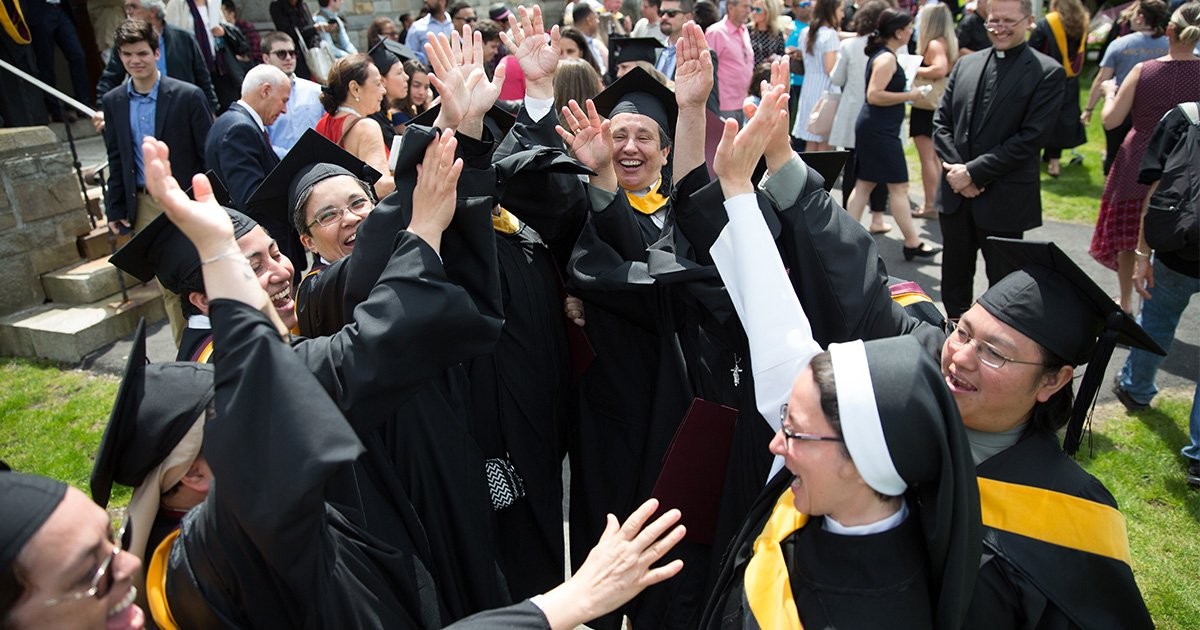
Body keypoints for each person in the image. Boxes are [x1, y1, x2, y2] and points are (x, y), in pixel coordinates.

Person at [672, 61, 1158, 628]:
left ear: (1053, 380)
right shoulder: (917, 369)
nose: (962, 358)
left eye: (995, 352)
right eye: (964, 331)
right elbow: (858, 281)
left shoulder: (1070, 515)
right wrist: (780, 162)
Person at [695, 106, 978, 626]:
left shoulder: (875, 609)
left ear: (860, 458)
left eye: (794, 432)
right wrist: (737, 187)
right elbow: (782, 344)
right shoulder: (833, 478)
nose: (777, 445)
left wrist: (741, 187)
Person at [931, 0, 1064, 319]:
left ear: (1030, 21)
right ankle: (952, 337)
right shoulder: (966, 64)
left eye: (1008, 21)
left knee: (1003, 287)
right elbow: (941, 122)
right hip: (956, 195)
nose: (999, 28)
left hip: (1004, 199)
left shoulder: (1047, 72)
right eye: (993, 21)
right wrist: (958, 173)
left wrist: (974, 173)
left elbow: (1032, 138)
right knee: (953, 281)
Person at [102, 18, 213, 346]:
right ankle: (187, 353)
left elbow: (207, 156)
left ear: (155, 52)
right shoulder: (113, 102)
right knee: (168, 285)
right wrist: (115, 207)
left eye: (141, 53)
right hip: (145, 203)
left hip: (187, 198)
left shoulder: (187, 96)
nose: (134, 61)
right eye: (126, 55)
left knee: (204, 275)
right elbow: (116, 157)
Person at [1092, 2, 1200, 314]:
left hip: (1139, 156)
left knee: (1128, 235)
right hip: (1188, 163)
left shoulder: (1144, 71)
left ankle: (1126, 302)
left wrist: (1110, 93)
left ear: (1169, 31)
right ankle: (1152, 302)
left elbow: (1111, 120)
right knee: (1175, 225)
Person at [1115, 100, 1200, 489]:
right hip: (1178, 252)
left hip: (1179, 248)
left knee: (1158, 322)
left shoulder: (1185, 116)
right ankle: (1199, 456)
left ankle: (1136, 388)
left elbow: (1155, 189)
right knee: (1158, 320)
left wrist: (1142, 252)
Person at [109, 206, 296, 360]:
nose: (282, 272)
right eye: (254, 267)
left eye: (276, 254)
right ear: (205, 301)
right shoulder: (239, 366)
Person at [845, 8, 939, 262]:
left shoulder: (886, 56)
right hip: (878, 130)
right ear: (898, 32)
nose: (912, 31)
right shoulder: (886, 59)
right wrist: (911, 95)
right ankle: (912, 241)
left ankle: (842, 238)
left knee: (865, 184)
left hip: (876, 128)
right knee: (898, 186)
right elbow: (874, 95)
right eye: (909, 27)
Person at [205, 64, 297, 274]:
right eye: (284, 100)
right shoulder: (240, 129)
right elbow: (251, 200)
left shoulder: (231, 122)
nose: (284, 110)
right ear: (265, 90)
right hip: (264, 256)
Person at [1083, 0, 1169, 176]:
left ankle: (1110, 192)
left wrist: (1089, 109)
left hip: (1120, 107)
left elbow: (1102, 79)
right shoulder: (1169, 45)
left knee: (1114, 153)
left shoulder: (1120, 44)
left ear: (1140, 17)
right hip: (1156, 108)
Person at [94, 0, 219, 119]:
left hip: (184, 111)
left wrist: (211, 110)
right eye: (127, 7)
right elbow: (110, 78)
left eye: (134, 7)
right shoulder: (125, 44)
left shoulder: (184, 38)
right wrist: (102, 109)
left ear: (152, 11)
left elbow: (203, 78)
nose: (128, 12)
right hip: (145, 113)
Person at [827, 0, 889, 229]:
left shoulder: (850, 46)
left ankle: (848, 218)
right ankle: (878, 217)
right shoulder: (893, 48)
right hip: (881, 115)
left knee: (852, 166)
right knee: (880, 165)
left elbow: (836, 78)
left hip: (853, 113)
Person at [315, 53, 395, 199]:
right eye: (377, 84)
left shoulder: (322, 123)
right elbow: (380, 187)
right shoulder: (366, 127)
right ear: (355, 88)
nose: (383, 90)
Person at [1029, 0, 1089, 177]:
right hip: (1070, 80)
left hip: (1045, 79)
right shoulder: (1082, 22)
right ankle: (1053, 161)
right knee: (1061, 120)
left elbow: (1032, 50)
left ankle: (1043, 160)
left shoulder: (1048, 23)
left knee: (1042, 116)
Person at [909, 2, 955, 217]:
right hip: (937, 105)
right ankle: (935, 203)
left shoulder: (935, 44)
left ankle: (930, 205)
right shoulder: (948, 41)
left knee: (928, 158)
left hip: (926, 106)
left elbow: (940, 68)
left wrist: (912, 68)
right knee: (934, 158)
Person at [261, 30, 324, 157]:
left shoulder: (316, 91)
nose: (289, 58)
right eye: (281, 54)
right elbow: (261, 142)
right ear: (266, 58)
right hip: (279, 167)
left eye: (292, 53)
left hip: (319, 164)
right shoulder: (261, 96)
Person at [23, 0, 92, 117]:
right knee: (46, 63)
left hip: (61, 9)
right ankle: (55, 109)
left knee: (77, 55)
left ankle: (84, 104)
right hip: (40, 11)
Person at [790, 0, 841, 150]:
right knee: (825, 143)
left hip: (809, 89)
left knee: (811, 142)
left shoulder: (807, 32)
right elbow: (830, 69)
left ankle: (808, 174)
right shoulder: (829, 34)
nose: (842, 14)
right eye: (840, 10)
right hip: (826, 93)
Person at [705, 0, 754, 123]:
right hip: (723, 105)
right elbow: (706, 69)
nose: (749, 11)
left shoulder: (744, 30)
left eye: (750, 7)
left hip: (744, 102)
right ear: (731, 8)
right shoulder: (716, 32)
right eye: (745, 7)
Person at [368, 38, 414, 149]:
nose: (406, 77)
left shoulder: (385, 114)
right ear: (382, 80)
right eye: (399, 72)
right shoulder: (374, 121)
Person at [268, 0, 320, 80]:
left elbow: (312, 29)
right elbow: (287, 31)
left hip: (310, 51)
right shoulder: (277, 6)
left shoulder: (303, 5)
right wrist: (314, 29)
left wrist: (315, 48)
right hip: (294, 50)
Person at [394, 58, 432, 123]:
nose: (421, 92)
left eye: (426, 87)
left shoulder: (413, 109)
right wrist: (428, 109)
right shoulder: (398, 116)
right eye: (416, 85)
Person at [749, 0, 785, 65]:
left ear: (768, 12)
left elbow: (782, 54)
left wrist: (776, 58)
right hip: (748, 73)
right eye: (753, 9)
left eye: (758, 10)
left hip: (768, 73)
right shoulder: (747, 30)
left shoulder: (777, 33)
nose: (754, 12)